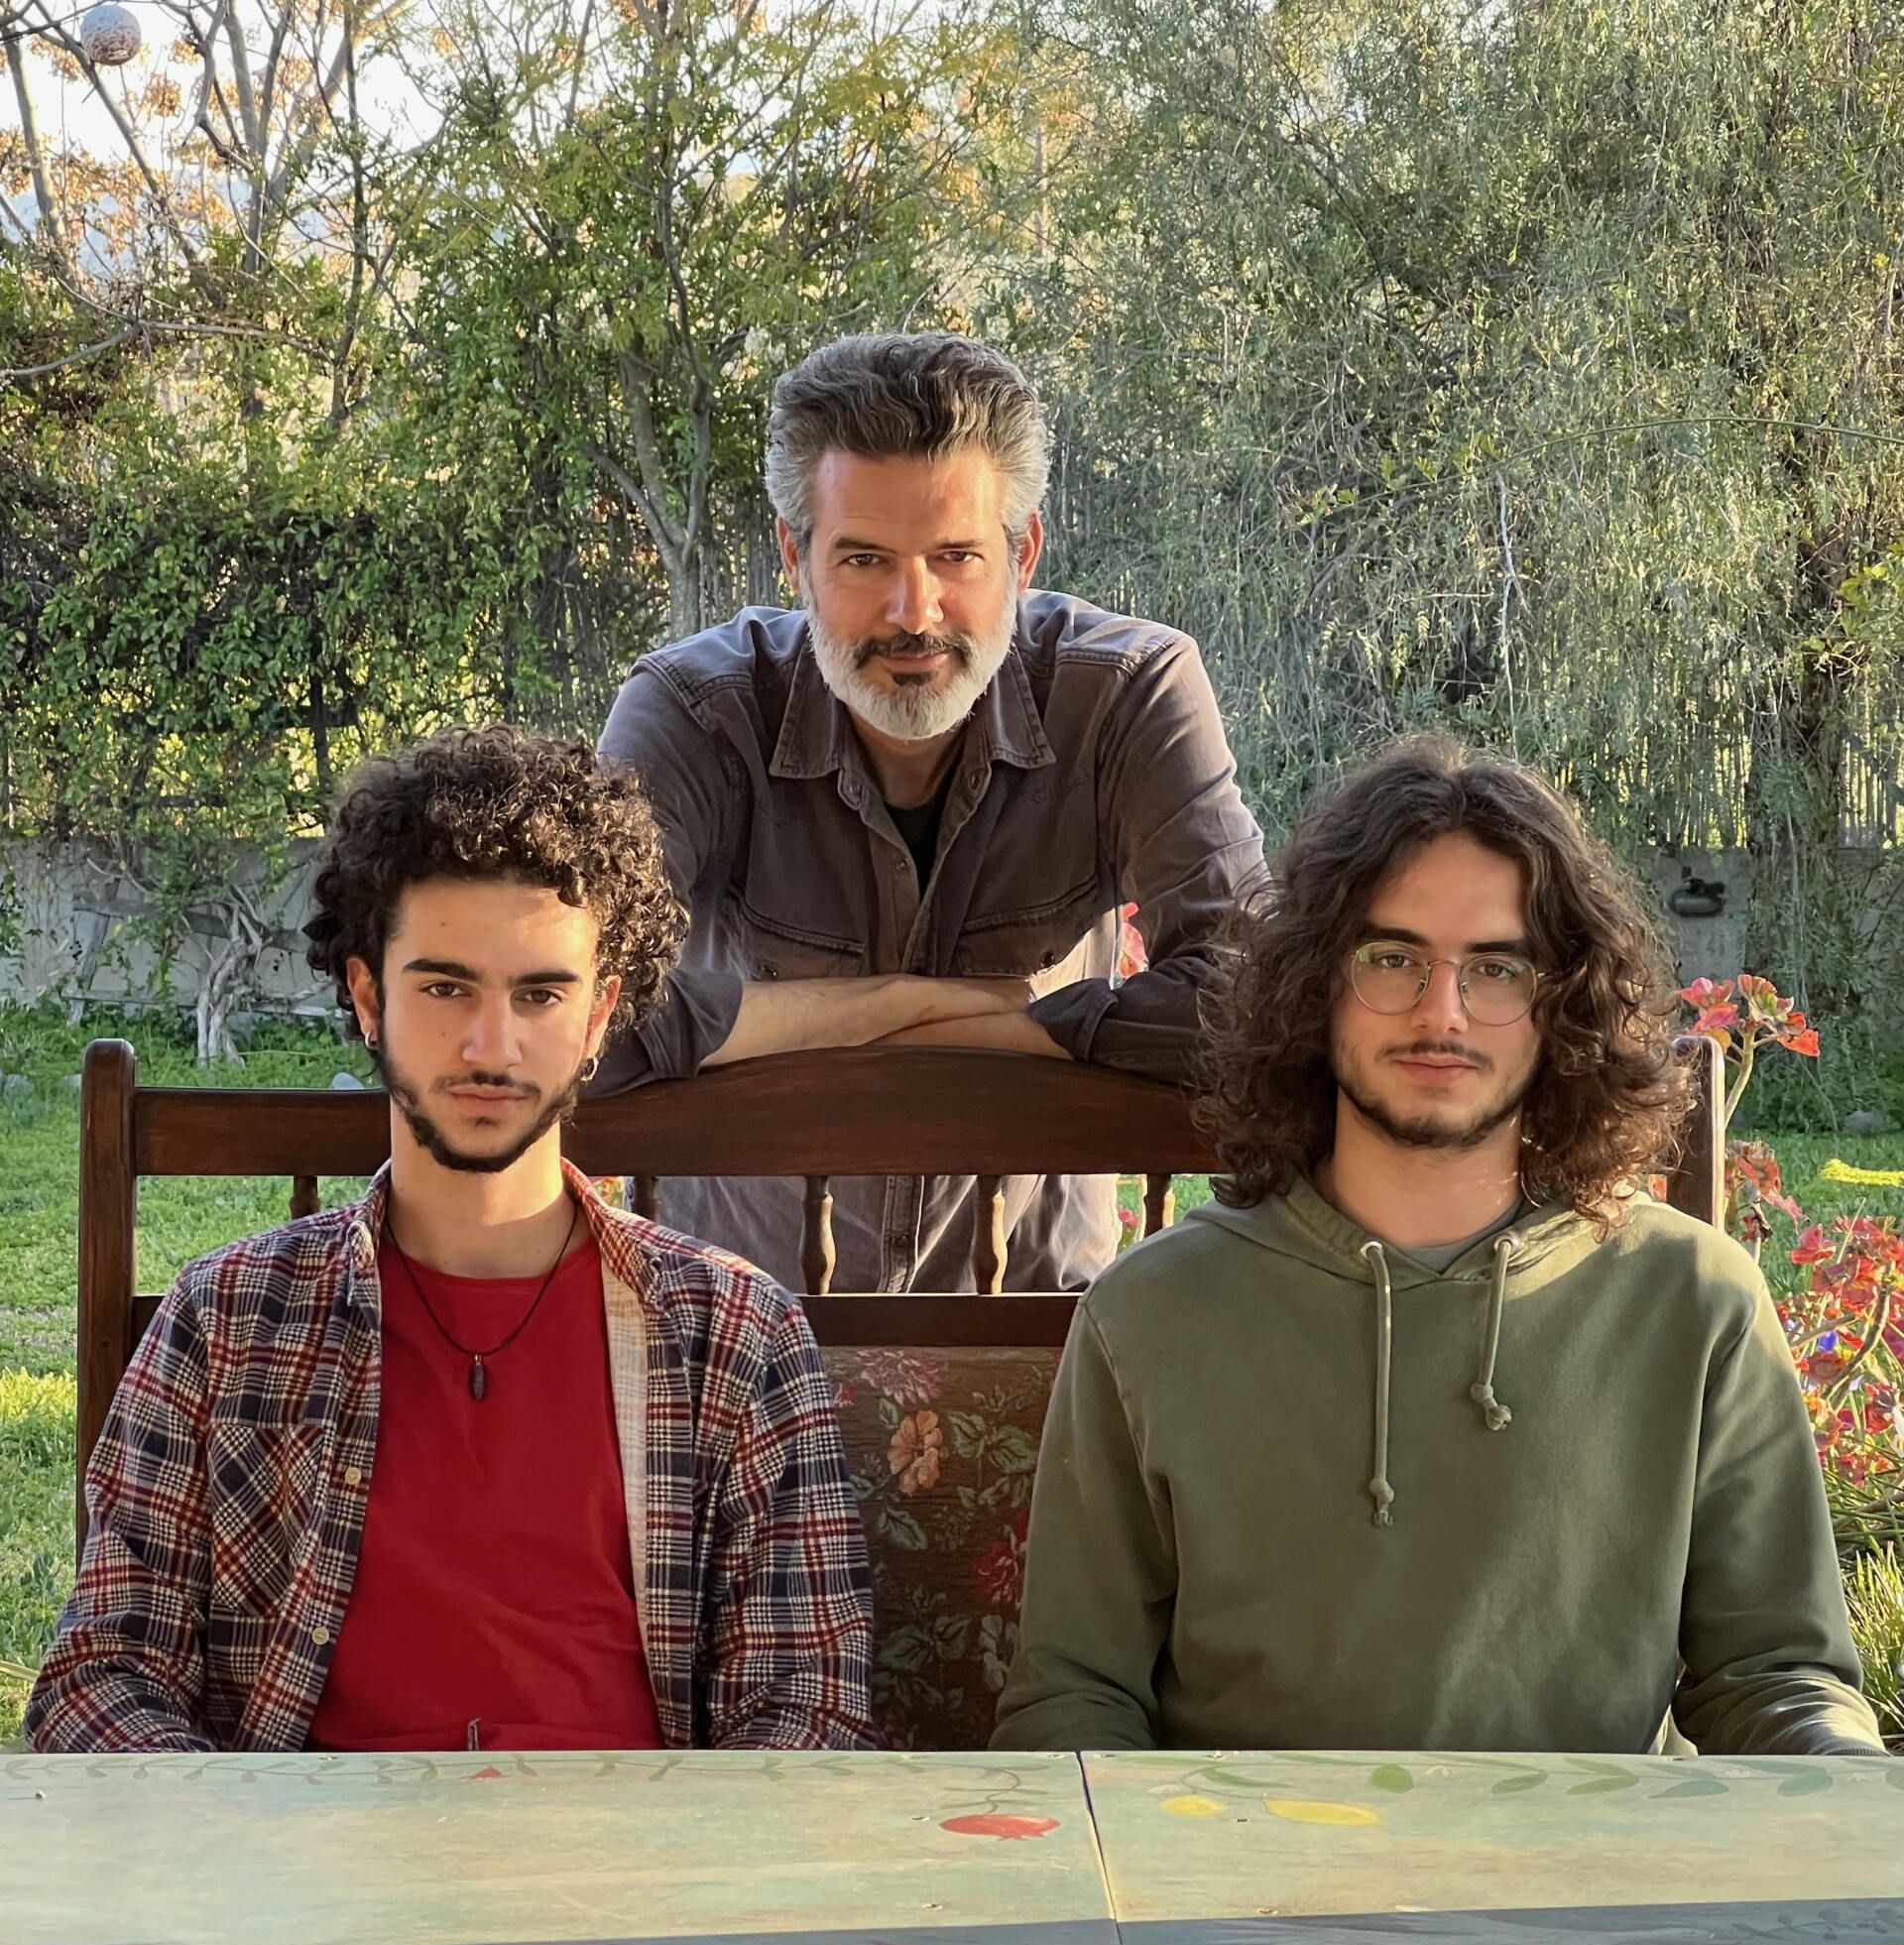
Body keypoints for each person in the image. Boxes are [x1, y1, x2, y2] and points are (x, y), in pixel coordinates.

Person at [993, 736, 1887, 1758]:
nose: (1441, 1010)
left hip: (1594, 1860)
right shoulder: (1153, 1313)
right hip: (1246, 1859)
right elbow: (1072, 1702)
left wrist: (1846, 1787)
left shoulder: (1696, 1302)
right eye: (1393, 958)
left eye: (1497, 968)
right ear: (1315, 986)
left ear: (1562, 1003)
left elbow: (1777, 1678)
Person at [29, 728, 873, 1755]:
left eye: (540, 994)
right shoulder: (230, 1320)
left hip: (626, 1849)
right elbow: (101, 1680)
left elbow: (810, 1711)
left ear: (600, 1013)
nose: (490, 1044)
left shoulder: (734, 1336)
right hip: (307, 1846)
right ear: (368, 997)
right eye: (444, 987)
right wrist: (248, 1839)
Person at [596, 331, 1263, 1293]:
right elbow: (571, 1007)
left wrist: (1026, 1027)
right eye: (865, 559)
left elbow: (1255, 1002)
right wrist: (898, 1005)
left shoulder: (1128, 692)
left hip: (1039, 1315)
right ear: (795, 555)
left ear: (1022, 553)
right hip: (732, 1319)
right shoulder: (692, 712)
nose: (914, 611)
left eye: (956, 556)